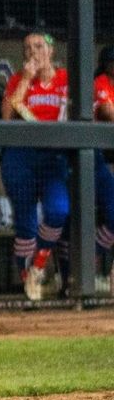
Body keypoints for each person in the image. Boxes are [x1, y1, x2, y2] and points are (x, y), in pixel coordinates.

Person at [0, 31, 69, 300]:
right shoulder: (18, 79)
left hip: (54, 156)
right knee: (26, 224)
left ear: (51, 51)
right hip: (21, 156)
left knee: (58, 210)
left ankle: (38, 266)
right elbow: (6, 118)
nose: (33, 52)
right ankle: (29, 287)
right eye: (27, 47)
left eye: (39, 46)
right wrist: (27, 80)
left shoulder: (65, 79)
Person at [91, 45, 114, 286]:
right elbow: (109, 113)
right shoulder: (100, 82)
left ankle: (93, 259)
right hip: (94, 158)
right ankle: (89, 268)